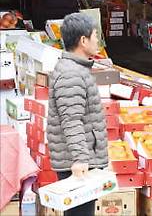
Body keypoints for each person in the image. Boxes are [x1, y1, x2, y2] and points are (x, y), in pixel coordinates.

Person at [46, 13, 107, 216]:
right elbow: (71, 121)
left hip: (78, 158)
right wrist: (81, 159)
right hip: (75, 161)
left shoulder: (76, 69)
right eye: (95, 35)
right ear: (83, 40)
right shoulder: (71, 74)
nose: (98, 40)